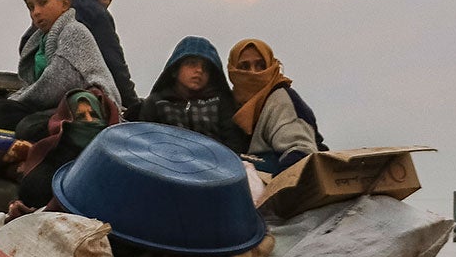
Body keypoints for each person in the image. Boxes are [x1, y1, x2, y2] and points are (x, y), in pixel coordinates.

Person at [0, 0, 119, 126]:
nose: (36, 12)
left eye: (43, 2)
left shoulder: (73, 32)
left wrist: (18, 101)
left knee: (27, 125)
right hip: (57, 104)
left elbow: (57, 84)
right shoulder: (40, 42)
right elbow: (33, 85)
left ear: (65, 3)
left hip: (88, 107)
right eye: (31, 7)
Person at [226, 39, 327, 174]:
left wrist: (279, 187)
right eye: (244, 67)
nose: (253, 72)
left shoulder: (280, 100)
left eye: (260, 65)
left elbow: (301, 152)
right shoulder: (227, 105)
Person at [16, 87, 121, 209]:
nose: (89, 121)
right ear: (67, 121)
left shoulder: (115, 156)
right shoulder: (52, 153)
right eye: (81, 117)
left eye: (93, 115)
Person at [62, 0, 140, 116]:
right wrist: (135, 106)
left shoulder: (62, 6)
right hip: (84, 97)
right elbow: (116, 65)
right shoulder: (96, 14)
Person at [139, 37, 245, 152]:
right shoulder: (156, 103)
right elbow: (145, 143)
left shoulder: (220, 103)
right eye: (191, 64)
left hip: (213, 164)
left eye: (206, 67)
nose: (199, 70)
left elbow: (233, 146)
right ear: (175, 70)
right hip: (165, 163)